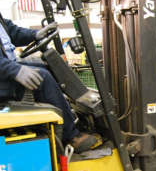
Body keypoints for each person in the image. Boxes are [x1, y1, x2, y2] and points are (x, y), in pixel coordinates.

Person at [0, 13, 97, 153]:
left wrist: (35, 34)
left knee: (48, 69)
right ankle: (71, 136)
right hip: (4, 79)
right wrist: (16, 71)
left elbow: (12, 31)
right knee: (43, 77)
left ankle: (68, 120)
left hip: (6, 71)